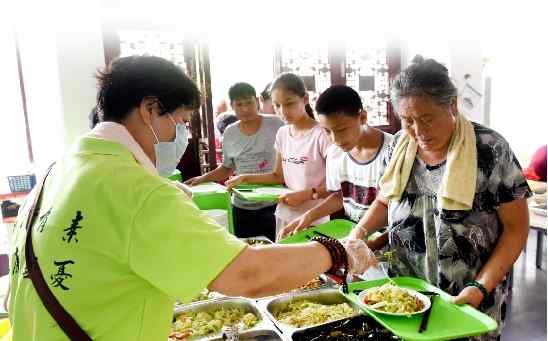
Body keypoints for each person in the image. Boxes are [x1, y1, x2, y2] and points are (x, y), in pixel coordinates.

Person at [7, 56, 376, 341]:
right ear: (150, 109)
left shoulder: (60, 169)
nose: (183, 133)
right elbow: (247, 274)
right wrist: (338, 252)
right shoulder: (133, 188)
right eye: (181, 121)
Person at [347, 56, 531, 341]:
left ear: (452, 105)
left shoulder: (490, 149)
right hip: (405, 292)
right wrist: (358, 233)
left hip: (469, 293)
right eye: (408, 121)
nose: (419, 132)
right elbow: (386, 201)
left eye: (427, 119)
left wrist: (481, 287)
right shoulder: (398, 145)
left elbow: (516, 227)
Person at [278, 85, 393, 240]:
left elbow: (393, 209)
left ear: (363, 117)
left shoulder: (392, 151)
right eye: (327, 131)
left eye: (341, 129)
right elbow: (341, 196)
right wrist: (308, 217)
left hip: (385, 237)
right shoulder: (335, 152)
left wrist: (365, 243)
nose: (335, 139)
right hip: (352, 232)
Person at [226, 73, 332, 239]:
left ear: (305, 99)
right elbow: (277, 176)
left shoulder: (321, 135)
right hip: (284, 214)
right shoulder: (283, 133)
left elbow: (338, 187)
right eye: (277, 105)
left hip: (313, 219)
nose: (283, 111)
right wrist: (245, 178)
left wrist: (306, 195)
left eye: (289, 103)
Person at [185, 82, 284, 241]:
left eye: (249, 102)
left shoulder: (277, 124)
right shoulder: (230, 133)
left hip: (274, 204)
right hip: (242, 206)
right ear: (232, 106)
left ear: (257, 101)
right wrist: (202, 178)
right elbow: (227, 169)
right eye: (239, 104)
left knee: (276, 250)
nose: (245, 109)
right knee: (246, 250)